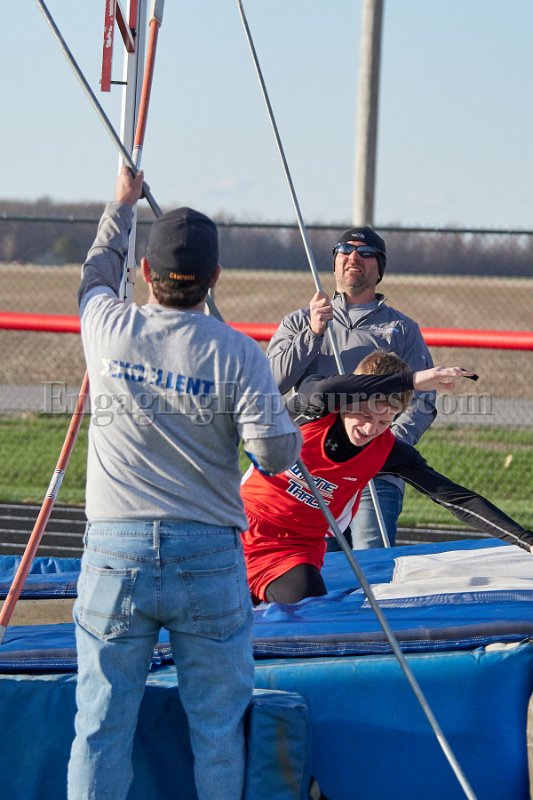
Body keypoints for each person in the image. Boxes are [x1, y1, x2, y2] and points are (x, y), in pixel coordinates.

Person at [67, 166, 302, 800]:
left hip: (115, 553)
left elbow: (95, 273)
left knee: (99, 727)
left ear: (147, 272)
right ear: (214, 277)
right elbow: (274, 454)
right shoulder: (239, 353)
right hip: (208, 555)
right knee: (218, 730)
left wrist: (120, 206)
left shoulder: (108, 326)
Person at [241, 351, 533, 604]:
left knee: (308, 619)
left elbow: (457, 499)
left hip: (292, 552)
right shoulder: (312, 409)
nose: (370, 429)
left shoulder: (387, 451)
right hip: (236, 528)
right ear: (347, 401)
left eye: (384, 420)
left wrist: (526, 540)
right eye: (365, 415)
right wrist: (412, 380)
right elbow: (325, 388)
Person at [266, 225, 435, 549]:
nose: (353, 257)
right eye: (345, 250)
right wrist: (313, 333)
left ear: (379, 269)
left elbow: (422, 400)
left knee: (372, 564)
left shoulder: (402, 329)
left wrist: (382, 446)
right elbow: (272, 383)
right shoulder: (300, 321)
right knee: (316, 565)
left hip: (375, 476)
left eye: (365, 252)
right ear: (334, 263)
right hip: (311, 472)